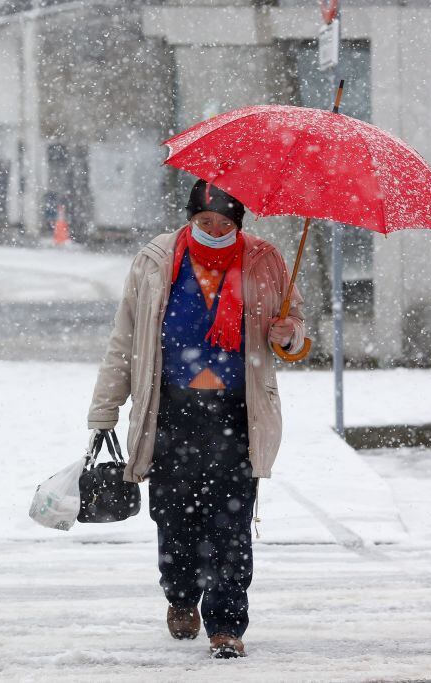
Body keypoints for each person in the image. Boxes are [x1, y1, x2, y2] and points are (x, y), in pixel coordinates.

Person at [87, 179, 305, 659]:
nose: (215, 229)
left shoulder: (263, 261)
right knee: (173, 517)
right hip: (170, 410)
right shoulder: (155, 261)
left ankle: (227, 623)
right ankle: (181, 595)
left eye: (225, 223)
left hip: (236, 412)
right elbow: (124, 340)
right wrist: (105, 408)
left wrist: (288, 335)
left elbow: (295, 337)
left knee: (230, 523)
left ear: (239, 223)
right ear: (190, 218)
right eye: (205, 221)